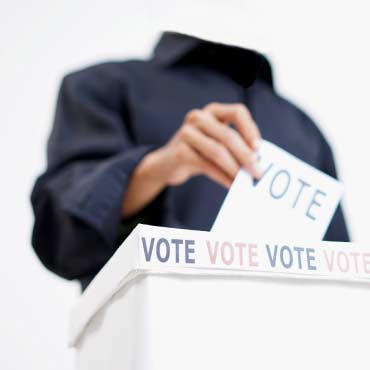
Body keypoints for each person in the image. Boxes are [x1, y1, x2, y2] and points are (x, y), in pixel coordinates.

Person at [31, 31, 349, 290]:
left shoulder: (306, 130)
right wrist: (154, 169)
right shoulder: (101, 88)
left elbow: (342, 278)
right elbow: (60, 239)